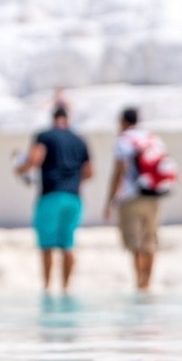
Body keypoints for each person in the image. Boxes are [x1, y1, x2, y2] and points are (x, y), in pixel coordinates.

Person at [16, 92, 93, 292]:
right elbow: (89, 173)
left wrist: (20, 169)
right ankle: (66, 289)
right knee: (67, 244)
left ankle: (47, 288)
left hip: (51, 195)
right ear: (67, 119)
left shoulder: (45, 136)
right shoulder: (80, 140)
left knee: (47, 245)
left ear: (53, 119)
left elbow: (35, 159)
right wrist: (72, 180)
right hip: (74, 197)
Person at [106, 106, 173, 292]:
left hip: (130, 197)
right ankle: (148, 283)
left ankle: (139, 283)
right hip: (153, 196)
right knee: (150, 241)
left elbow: (118, 173)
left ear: (123, 122)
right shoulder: (153, 139)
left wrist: (110, 201)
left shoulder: (123, 141)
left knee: (135, 242)